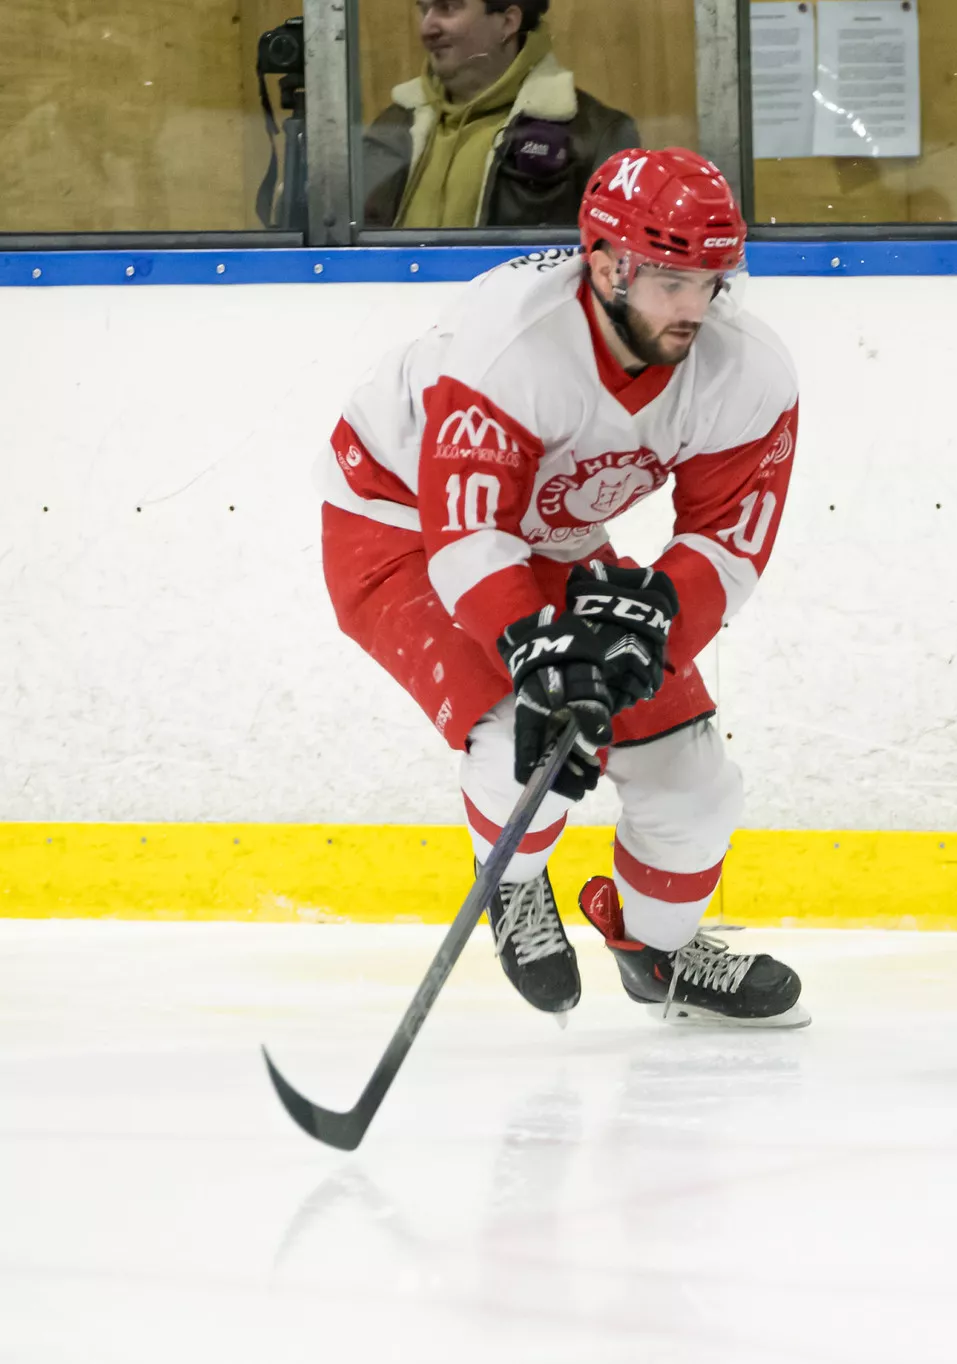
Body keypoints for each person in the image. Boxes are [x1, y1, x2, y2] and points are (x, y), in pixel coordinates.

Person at [318, 148, 807, 1027]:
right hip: (399, 522)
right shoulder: (509, 345)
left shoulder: (747, 371)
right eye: (670, 281)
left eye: (711, 281)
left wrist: (650, 627)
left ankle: (656, 952)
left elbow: (727, 543)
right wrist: (535, 652)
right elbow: (468, 535)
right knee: (523, 734)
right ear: (608, 264)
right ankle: (511, 879)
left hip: (555, 536)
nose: (694, 308)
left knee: (693, 782)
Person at [361, 0, 641, 230]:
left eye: (447, 8)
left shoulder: (595, 136)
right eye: (424, 9)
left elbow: (616, 264)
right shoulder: (393, 126)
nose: (427, 28)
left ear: (507, 23)